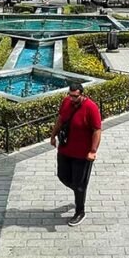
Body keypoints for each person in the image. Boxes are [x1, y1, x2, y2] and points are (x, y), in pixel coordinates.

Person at [50, 82, 101, 227]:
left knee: (79, 184)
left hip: (82, 154)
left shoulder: (91, 107)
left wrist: (92, 151)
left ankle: (80, 211)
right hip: (65, 149)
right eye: (70, 95)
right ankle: (80, 191)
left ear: (82, 94)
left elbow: (97, 130)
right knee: (62, 176)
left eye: (75, 96)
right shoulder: (66, 102)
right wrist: (53, 136)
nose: (72, 98)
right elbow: (60, 119)